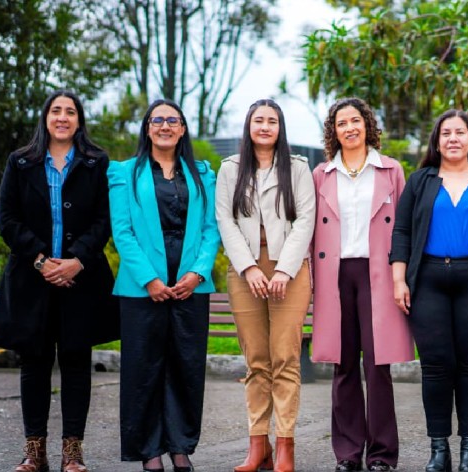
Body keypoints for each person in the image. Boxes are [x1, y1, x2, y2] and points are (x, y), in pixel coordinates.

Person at [0, 90, 119, 472]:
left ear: (79, 120)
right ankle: (35, 452)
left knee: (77, 361)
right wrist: (42, 260)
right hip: (33, 280)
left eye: (71, 112)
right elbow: (7, 220)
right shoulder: (21, 162)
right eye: (56, 110)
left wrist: (77, 261)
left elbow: (103, 221)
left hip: (81, 280)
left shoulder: (96, 163)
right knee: (35, 363)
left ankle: (72, 453)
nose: (63, 117)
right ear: (45, 118)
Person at [390, 109, 468, 472]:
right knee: (436, 366)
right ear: (437, 141)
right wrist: (399, 280)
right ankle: (438, 448)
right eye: (446, 133)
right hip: (428, 279)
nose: (453, 139)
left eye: (460, 132)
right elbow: (401, 233)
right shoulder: (421, 181)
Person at [108, 99, 220, 472]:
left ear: (183, 129)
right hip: (142, 288)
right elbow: (122, 232)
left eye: (173, 120)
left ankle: (180, 446)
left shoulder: (203, 173)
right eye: (158, 120)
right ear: (147, 128)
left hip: (191, 285)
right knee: (143, 369)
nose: (165, 126)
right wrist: (150, 279)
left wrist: (198, 272)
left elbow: (211, 228)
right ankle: (149, 450)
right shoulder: (123, 172)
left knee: (185, 367)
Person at [311, 97, 414, 472]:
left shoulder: (390, 170)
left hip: (379, 275)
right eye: (342, 123)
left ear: (367, 125)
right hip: (334, 276)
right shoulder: (322, 174)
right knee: (343, 367)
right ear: (333, 131)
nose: (349, 128)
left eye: (356, 121)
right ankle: (348, 454)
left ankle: (383, 455)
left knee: (377, 365)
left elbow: (403, 229)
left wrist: (403, 276)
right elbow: (311, 234)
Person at [216, 98, 315, 472]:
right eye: (259, 120)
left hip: (289, 270)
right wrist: (249, 268)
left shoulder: (299, 167)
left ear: (280, 128)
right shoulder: (230, 169)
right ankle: (258, 445)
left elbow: (306, 220)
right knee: (257, 361)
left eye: (272, 121)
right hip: (246, 273)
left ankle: (285, 445)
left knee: (285, 358)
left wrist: (284, 270)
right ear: (249, 126)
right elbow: (225, 221)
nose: (265, 126)